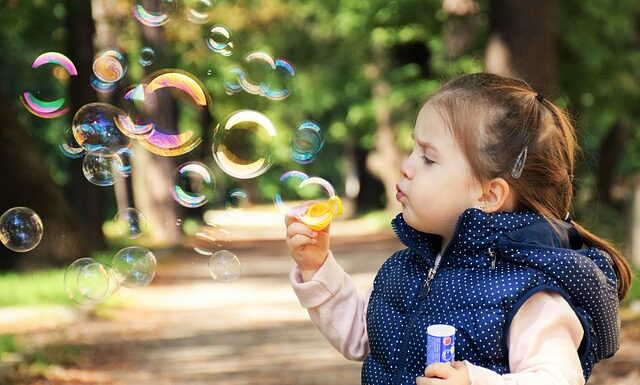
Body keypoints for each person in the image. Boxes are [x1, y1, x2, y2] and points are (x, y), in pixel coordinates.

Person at [284, 72, 631, 385]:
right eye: (412, 148)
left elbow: (558, 378)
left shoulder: (529, 289)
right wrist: (317, 267)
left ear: (489, 194)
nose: (405, 167)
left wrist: (476, 381)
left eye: (428, 158)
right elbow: (365, 336)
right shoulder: (407, 268)